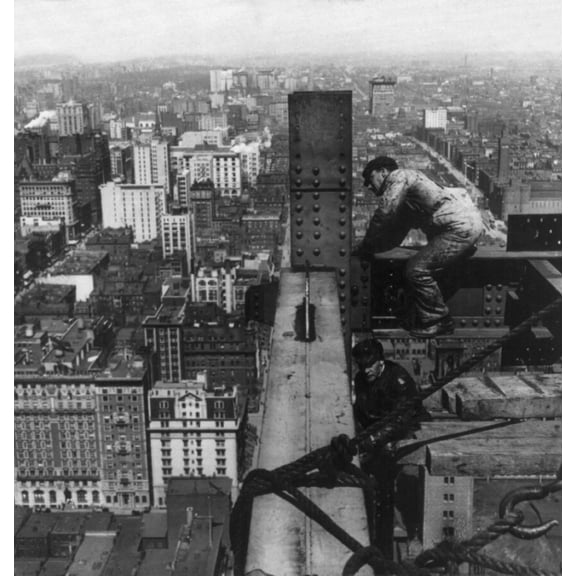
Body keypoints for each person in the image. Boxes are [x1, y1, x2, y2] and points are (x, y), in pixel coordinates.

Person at [354, 156, 483, 338]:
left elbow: (385, 212)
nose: (368, 185)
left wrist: (366, 245)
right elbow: (397, 233)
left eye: (370, 178)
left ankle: (438, 320)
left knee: (416, 269)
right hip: (464, 225)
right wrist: (372, 247)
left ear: (384, 172)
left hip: (458, 229)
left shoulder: (399, 176)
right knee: (425, 266)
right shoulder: (410, 194)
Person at [351, 338, 422, 430]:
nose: (366, 371)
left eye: (369, 365)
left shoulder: (398, 379)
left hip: (406, 429)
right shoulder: (360, 379)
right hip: (374, 430)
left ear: (381, 361)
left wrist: (376, 438)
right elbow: (361, 413)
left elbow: (403, 417)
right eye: (362, 366)